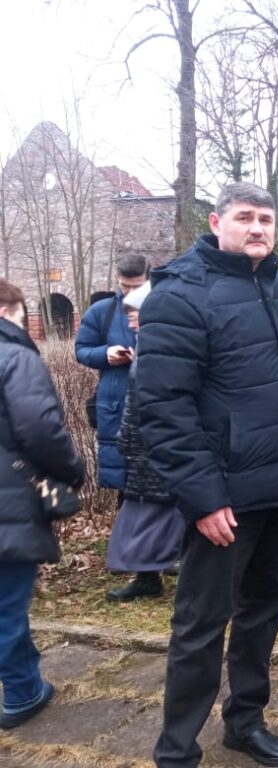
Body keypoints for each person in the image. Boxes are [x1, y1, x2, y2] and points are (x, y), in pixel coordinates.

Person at [137, 182, 278, 768]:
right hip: (226, 499)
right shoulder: (181, 293)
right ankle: (177, 749)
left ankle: (245, 720)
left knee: (263, 614)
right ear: (217, 223)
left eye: (266, 219)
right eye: (245, 217)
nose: (258, 228)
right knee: (201, 625)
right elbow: (163, 408)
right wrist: (203, 497)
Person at [0, 279, 84, 729]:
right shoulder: (14, 356)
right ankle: (21, 694)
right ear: (8, 311)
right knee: (6, 605)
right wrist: (72, 471)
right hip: (9, 505)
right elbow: (40, 428)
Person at [105, 282, 185, 601]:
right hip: (142, 449)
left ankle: (172, 577)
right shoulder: (147, 344)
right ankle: (148, 579)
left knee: (161, 515)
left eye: (134, 312)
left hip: (158, 447)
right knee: (144, 514)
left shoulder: (165, 347)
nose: (129, 319)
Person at [75, 253, 148, 497]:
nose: (130, 293)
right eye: (125, 286)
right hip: (116, 403)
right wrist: (106, 354)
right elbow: (82, 349)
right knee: (125, 484)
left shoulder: (165, 306)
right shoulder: (102, 311)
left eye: (137, 287)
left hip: (153, 401)